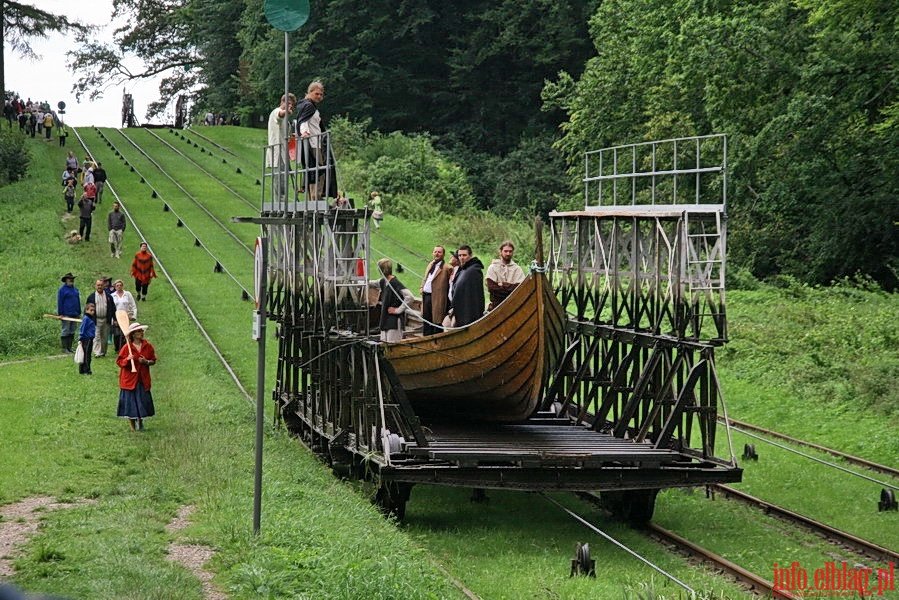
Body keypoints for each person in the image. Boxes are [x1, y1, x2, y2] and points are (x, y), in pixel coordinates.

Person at [296, 81, 338, 201]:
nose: (319, 96)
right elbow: (303, 122)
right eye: (317, 94)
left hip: (314, 143)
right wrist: (304, 132)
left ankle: (312, 197)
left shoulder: (307, 105)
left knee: (313, 171)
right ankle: (316, 197)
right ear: (310, 92)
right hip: (313, 144)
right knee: (318, 171)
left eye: (321, 94)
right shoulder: (308, 106)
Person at [116, 323, 157, 432]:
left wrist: (146, 362)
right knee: (131, 403)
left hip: (142, 379)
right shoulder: (126, 347)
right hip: (129, 380)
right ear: (133, 334)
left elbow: (153, 360)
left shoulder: (148, 346)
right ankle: (132, 426)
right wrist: (127, 360)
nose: (141, 333)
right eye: (139, 331)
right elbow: (119, 362)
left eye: (141, 331)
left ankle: (140, 422)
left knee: (141, 401)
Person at [266, 92, 296, 200]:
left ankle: (282, 205)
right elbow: (279, 115)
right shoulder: (276, 112)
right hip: (277, 153)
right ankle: (280, 206)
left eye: (292, 105)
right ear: (282, 102)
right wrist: (286, 111)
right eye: (288, 104)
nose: (290, 107)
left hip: (283, 153)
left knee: (283, 181)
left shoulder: (286, 120)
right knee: (279, 182)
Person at [377, 258, 414, 342]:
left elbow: (410, 297)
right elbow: (373, 283)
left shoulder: (395, 283)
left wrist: (398, 310)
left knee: (393, 345)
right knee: (384, 346)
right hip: (385, 320)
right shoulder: (383, 281)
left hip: (394, 321)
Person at [420, 245, 453, 336]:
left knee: (437, 320)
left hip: (438, 297)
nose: (437, 254)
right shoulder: (431, 264)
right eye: (435, 252)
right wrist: (421, 287)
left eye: (439, 252)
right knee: (426, 319)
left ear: (443, 254)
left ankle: (436, 340)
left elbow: (451, 285)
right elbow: (426, 277)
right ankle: (426, 338)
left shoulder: (447, 268)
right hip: (426, 296)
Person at [450, 245, 485, 327]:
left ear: (470, 255)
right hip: (459, 311)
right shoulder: (463, 269)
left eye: (464, 255)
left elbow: (475, 297)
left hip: (468, 315)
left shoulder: (474, 271)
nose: (462, 258)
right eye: (460, 255)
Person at [485, 240, 526, 311]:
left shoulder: (517, 269)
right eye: (506, 251)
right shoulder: (493, 268)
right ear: (500, 252)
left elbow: (520, 289)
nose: (508, 253)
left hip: (514, 305)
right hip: (497, 305)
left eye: (510, 251)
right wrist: (511, 289)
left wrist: (503, 285)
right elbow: (492, 288)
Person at [86, 279, 115, 358]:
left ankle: (103, 352)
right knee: (97, 336)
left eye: (101, 285)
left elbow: (113, 308)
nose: (100, 287)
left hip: (106, 319)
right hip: (96, 319)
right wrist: (88, 319)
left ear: (104, 286)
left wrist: (114, 319)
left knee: (104, 337)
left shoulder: (109, 296)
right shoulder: (91, 297)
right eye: (98, 285)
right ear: (96, 286)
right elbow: (87, 309)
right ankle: (97, 353)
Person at [111, 279, 137, 352]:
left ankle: (122, 349)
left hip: (125, 316)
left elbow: (133, 305)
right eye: (117, 285)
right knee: (117, 334)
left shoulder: (127, 294)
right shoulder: (112, 296)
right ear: (115, 287)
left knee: (124, 334)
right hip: (116, 316)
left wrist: (133, 316)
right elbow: (110, 308)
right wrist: (113, 319)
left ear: (122, 286)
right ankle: (116, 347)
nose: (119, 287)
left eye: (120, 285)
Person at [57, 272, 81, 353]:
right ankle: (65, 348)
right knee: (65, 330)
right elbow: (60, 302)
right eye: (70, 279)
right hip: (66, 314)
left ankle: (70, 347)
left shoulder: (75, 289)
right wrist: (60, 313)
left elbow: (78, 301)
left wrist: (79, 312)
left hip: (74, 314)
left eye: (72, 279)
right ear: (66, 280)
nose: (71, 280)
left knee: (72, 330)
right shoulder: (62, 290)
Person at [77, 302, 96, 375]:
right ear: (86, 310)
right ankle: (86, 370)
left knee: (86, 354)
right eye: (91, 310)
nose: (92, 312)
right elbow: (83, 329)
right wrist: (81, 338)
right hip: (86, 339)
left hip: (90, 338)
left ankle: (83, 369)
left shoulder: (90, 318)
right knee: (86, 355)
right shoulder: (86, 318)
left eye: (93, 310)